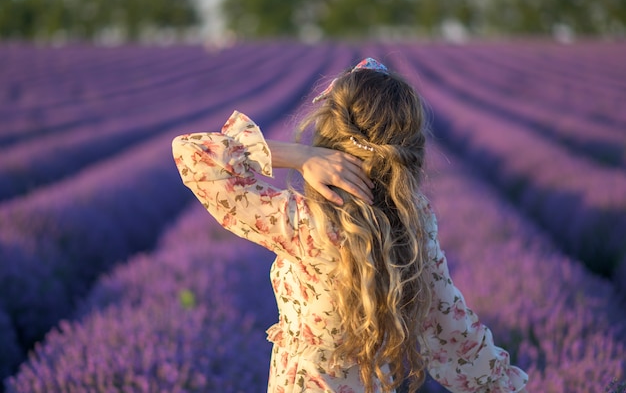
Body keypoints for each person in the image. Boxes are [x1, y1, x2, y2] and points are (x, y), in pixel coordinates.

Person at [172, 58, 529, 393]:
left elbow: (194, 154)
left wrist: (300, 157)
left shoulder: (304, 224)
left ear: (331, 145)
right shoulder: (416, 223)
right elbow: (452, 331)